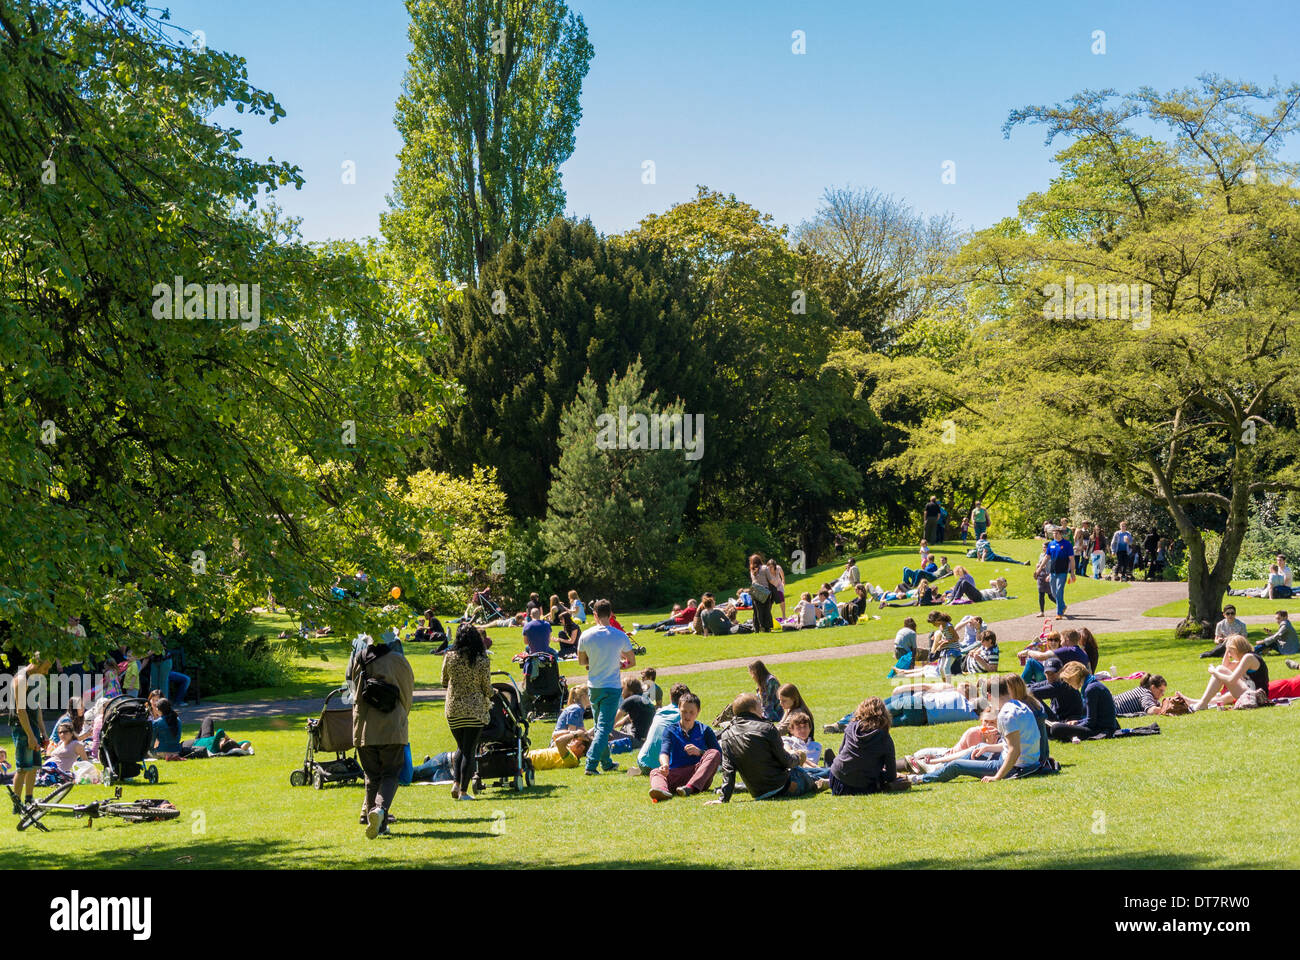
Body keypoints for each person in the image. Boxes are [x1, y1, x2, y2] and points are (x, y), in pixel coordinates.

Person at [907, 674, 1044, 784]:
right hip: (1029, 761)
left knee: (957, 766)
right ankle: (937, 769)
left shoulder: (1006, 714)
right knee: (980, 747)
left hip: (1017, 767)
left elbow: (1014, 750)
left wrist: (997, 777)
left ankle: (919, 779)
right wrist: (987, 747)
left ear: (989, 696)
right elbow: (1014, 744)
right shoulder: (1020, 706)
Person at [352, 636, 415, 836]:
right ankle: (379, 810)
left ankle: (378, 824)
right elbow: (407, 696)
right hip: (391, 727)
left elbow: (354, 692)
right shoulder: (398, 661)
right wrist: (401, 718)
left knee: (371, 775)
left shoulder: (360, 659)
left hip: (364, 727)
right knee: (390, 773)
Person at [708, 693, 820, 803]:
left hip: (758, 793)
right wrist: (799, 756)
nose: (762, 711)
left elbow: (729, 771)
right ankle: (829, 777)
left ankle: (828, 774)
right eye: (760, 707)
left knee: (808, 772)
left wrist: (723, 799)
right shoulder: (766, 728)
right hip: (783, 786)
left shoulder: (726, 735)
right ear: (752, 710)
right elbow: (787, 761)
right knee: (805, 773)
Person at [577, 599, 635, 775]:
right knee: (604, 727)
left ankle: (606, 762)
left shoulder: (586, 636)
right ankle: (591, 763)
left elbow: (582, 662)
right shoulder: (619, 635)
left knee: (598, 725)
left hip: (594, 686)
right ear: (611, 614)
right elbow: (631, 661)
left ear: (594, 615)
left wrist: (594, 662)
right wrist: (620, 664)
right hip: (611, 686)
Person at [441, 623, 492, 801]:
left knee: (461, 747)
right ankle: (463, 790)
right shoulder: (482, 660)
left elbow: (444, 680)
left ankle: (455, 782)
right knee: (469, 750)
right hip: (475, 709)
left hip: (453, 708)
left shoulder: (450, 656)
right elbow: (487, 687)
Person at [821, 697, 905, 795]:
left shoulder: (851, 727)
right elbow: (891, 775)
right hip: (863, 786)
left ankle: (828, 767)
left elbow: (841, 751)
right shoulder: (885, 738)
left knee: (838, 766)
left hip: (837, 779)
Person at [649, 692, 722, 801]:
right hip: (677, 773)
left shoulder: (705, 730)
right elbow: (664, 751)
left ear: (698, 712)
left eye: (691, 712)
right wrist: (664, 765)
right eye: (684, 712)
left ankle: (690, 788)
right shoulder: (670, 730)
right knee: (655, 772)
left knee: (714, 753)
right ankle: (661, 791)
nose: (687, 716)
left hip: (699, 774)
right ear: (679, 708)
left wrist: (700, 752)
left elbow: (719, 756)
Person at [902, 705, 1002, 773]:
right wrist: (990, 744)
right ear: (981, 721)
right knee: (902, 765)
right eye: (985, 722)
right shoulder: (975, 733)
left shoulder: (1000, 736)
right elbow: (974, 759)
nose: (988, 725)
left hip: (943, 759)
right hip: (939, 757)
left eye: (992, 722)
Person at [10, 655, 52, 814]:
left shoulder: (36, 678)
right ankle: (17, 805)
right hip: (22, 728)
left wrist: (43, 732)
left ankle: (29, 800)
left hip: (33, 727)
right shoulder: (21, 679)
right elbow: (21, 711)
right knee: (23, 768)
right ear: (35, 663)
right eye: (45, 668)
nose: (46, 672)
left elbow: (37, 707)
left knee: (34, 766)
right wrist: (30, 735)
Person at [1188, 635, 1269, 711]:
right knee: (1220, 669)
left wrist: (1214, 672)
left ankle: (1202, 704)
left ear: (1236, 649)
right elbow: (1225, 666)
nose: (1229, 655)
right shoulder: (1245, 657)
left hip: (1256, 696)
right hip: (1250, 692)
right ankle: (1200, 702)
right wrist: (1227, 648)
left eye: (1230, 651)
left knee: (1219, 670)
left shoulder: (1249, 658)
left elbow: (1231, 680)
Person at [1046, 663, 1119, 741]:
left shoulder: (1091, 689)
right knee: (1054, 727)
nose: (1069, 683)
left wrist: (1074, 726)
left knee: (1056, 728)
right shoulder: (1091, 685)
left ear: (1075, 676)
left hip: (1101, 729)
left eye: (1068, 680)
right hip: (1100, 726)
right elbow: (1091, 718)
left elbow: (1091, 723)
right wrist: (1077, 722)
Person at [1028, 657, 1084, 722]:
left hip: (1068, 722)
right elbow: (1030, 686)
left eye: (1053, 673)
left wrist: (1020, 689)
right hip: (1058, 718)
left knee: (1032, 696)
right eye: (1047, 673)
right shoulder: (1052, 681)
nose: (1050, 676)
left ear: (1061, 671)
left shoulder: (1064, 684)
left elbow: (1033, 692)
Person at [611, 676, 656, 752]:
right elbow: (626, 719)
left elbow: (611, 722)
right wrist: (615, 725)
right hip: (647, 740)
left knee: (603, 730)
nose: (621, 693)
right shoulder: (643, 699)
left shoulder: (630, 700)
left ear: (630, 691)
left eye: (623, 689)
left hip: (636, 741)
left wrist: (589, 733)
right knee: (626, 725)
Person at [1044, 525, 1076, 619]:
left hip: (1063, 572)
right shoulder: (1051, 544)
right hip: (1053, 572)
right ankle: (1063, 606)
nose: (1055, 535)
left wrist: (1072, 572)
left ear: (1061, 534)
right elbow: (1047, 557)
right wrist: (1039, 568)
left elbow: (1072, 559)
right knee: (1054, 592)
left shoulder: (1067, 544)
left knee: (1059, 591)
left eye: (1056, 533)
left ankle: (1059, 613)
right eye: (1053, 534)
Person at [748, 554, 776, 632]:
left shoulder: (752, 570)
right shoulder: (764, 568)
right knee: (766, 610)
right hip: (764, 591)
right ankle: (766, 627)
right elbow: (770, 580)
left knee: (756, 611)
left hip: (754, 592)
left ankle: (756, 628)